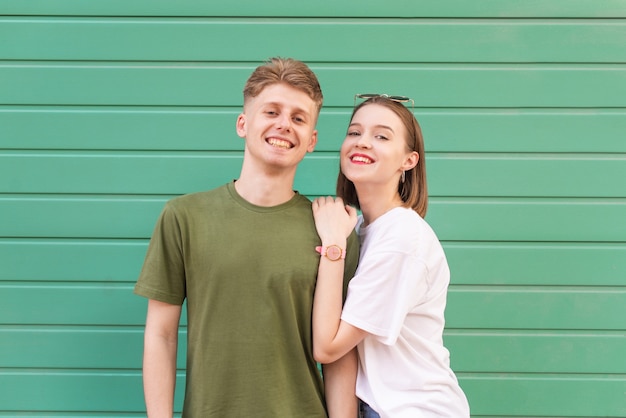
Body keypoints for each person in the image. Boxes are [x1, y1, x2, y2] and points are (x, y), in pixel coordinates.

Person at [134, 57, 360, 418]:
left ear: (312, 140)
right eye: (271, 112)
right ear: (243, 123)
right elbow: (160, 335)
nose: (284, 124)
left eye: (299, 118)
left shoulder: (332, 229)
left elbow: (340, 358)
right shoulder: (184, 217)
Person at [311, 94, 470, 417]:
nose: (362, 143)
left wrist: (332, 246)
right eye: (354, 132)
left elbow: (327, 346)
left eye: (381, 136)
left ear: (408, 161)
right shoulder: (360, 229)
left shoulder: (401, 238)